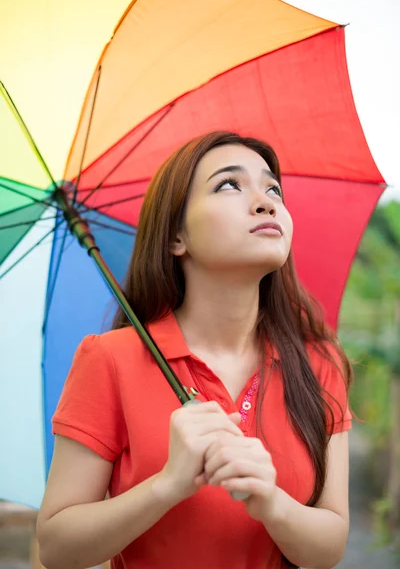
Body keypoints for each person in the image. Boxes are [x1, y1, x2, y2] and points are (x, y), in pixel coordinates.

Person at [37, 131, 353, 569]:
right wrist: (167, 485)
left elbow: (331, 545)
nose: (266, 202)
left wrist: (271, 502)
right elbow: (55, 546)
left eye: (273, 188)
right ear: (176, 237)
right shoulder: (110, 359)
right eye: (229, 184)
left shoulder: (319, 362)